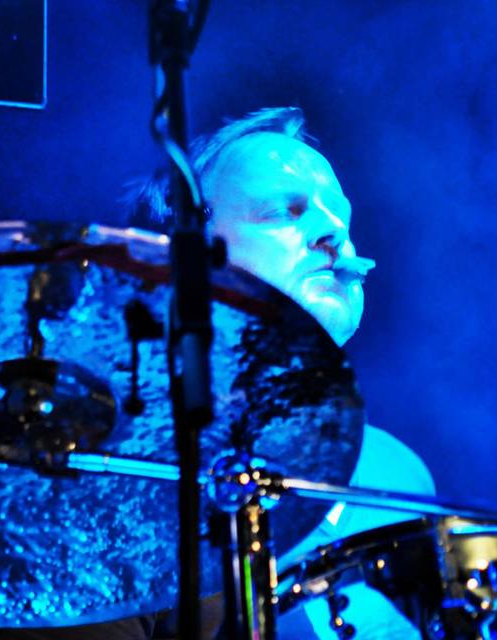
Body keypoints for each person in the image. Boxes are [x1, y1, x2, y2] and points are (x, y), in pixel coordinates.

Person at [131, 106, 436, 639]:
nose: (333, 232)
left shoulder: (397, 474)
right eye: (282, 212)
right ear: (186, 258)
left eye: (341, 217)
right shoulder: (120, 471)